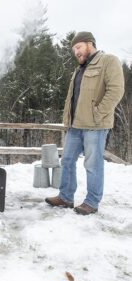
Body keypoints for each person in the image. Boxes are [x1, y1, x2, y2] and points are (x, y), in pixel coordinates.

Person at [45, 31, 124, 215]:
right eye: (74, 49)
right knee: (67, 160)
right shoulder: (79, 69)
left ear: (90, 44)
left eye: (78, 47)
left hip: (95, 126)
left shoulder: (108, 61)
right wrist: (67, 120)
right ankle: (65, 197)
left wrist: (98, 113)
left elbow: (116, 90)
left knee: (93, 164)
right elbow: (73, 98)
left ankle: (92, 202)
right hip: (75, 125)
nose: (76, 52)